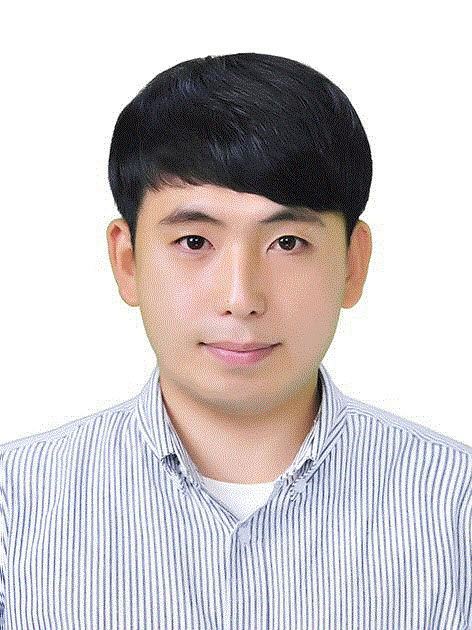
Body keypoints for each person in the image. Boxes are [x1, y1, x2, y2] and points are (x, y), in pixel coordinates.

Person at [0, 52, 470, 629]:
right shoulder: (14, 504)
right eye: (195, 242)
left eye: (288, 243)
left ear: (353, 263)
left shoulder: (457, 506)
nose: (241, 297)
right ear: (127, 260)